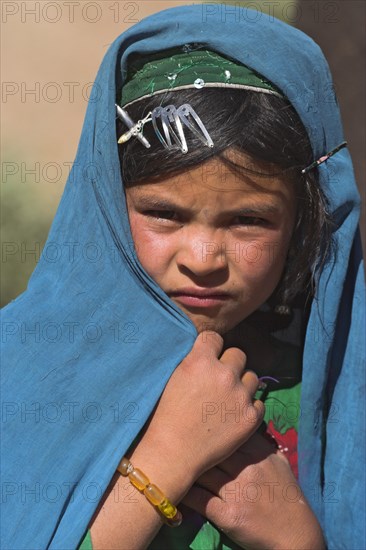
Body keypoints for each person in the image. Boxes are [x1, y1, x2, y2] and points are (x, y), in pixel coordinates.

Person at [1, 4, 364, 550]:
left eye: (249, 220)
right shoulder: (23, 375)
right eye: (165, 214)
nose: (204, 258)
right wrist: (164, 461)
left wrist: (296, 538)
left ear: (304, 220)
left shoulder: (336, 396)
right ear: (103, 207)